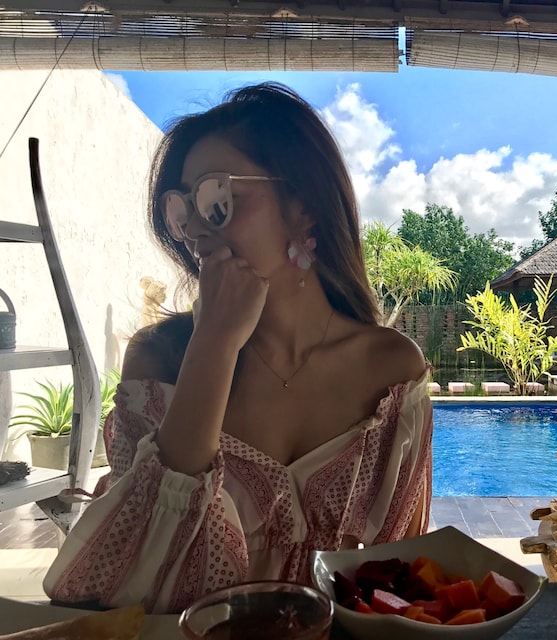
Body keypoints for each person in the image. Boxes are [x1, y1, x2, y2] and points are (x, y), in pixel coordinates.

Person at [43, 82, 433, 614]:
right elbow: (124, 580)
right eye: (181, 210)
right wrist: (215, 344)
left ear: (304, 204)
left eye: (217, 200)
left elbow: (402, 579)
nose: (195, 231)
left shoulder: (392, 375)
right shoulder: (159, 363)